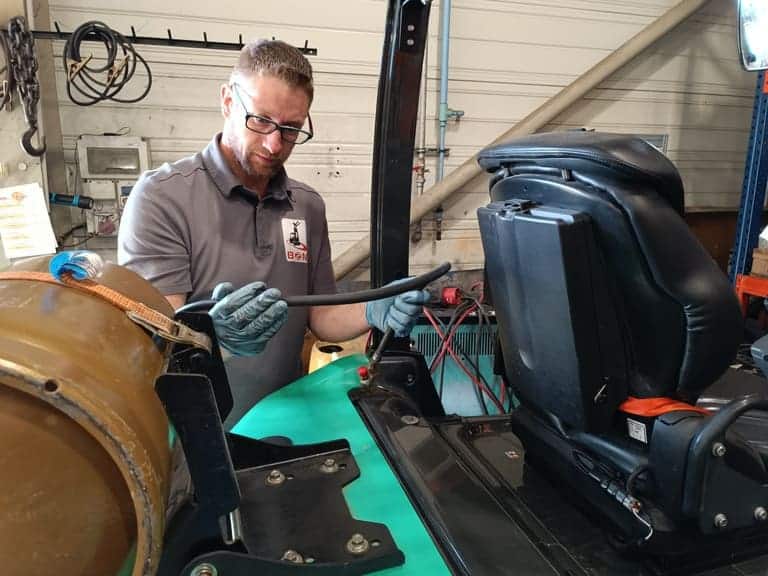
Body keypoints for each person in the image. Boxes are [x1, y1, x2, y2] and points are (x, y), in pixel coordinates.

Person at [118, 39, 429, 428]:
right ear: (228, 101)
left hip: (284, 421)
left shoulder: (306, 206)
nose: (274, 143)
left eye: (291, 128)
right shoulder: (164, 197)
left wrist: (374, 309)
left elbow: (321, 315)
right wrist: (213, 338)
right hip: (191, 434)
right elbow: (153, 337)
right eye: (261, 120)